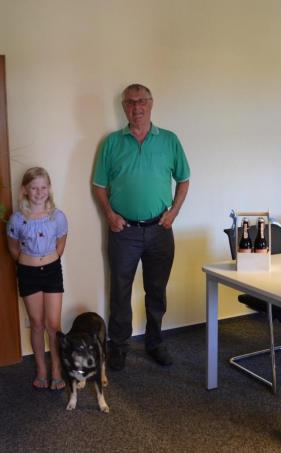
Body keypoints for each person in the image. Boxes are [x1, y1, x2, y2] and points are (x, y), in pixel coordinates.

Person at [93, 83, 191, 371]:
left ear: (151, 104)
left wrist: (173, 213)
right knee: (120, 291)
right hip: (124, 233)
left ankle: (155, 342)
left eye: (141, 101)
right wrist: (110, 215)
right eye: (130, 102)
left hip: (160, 230)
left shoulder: (170, 140)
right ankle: (119, 346)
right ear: (124, 107)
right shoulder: (111, 143)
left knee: (156, 290)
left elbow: (184, 180)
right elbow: (98, 186)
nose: (136, 107)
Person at [7, 167, 68, 390]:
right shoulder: (16, 219)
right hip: (28, 274)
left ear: (49, 189)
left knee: (54, 325)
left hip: (52, 271)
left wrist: (51, 258)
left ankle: (57, 369)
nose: (39, 192)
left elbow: (61, 241)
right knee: (37, 324)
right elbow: (13, 247)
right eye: (34, 188)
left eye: (43, 187)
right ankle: (42, 370)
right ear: (25, 190)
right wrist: (28, 262)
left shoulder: (57, 216)